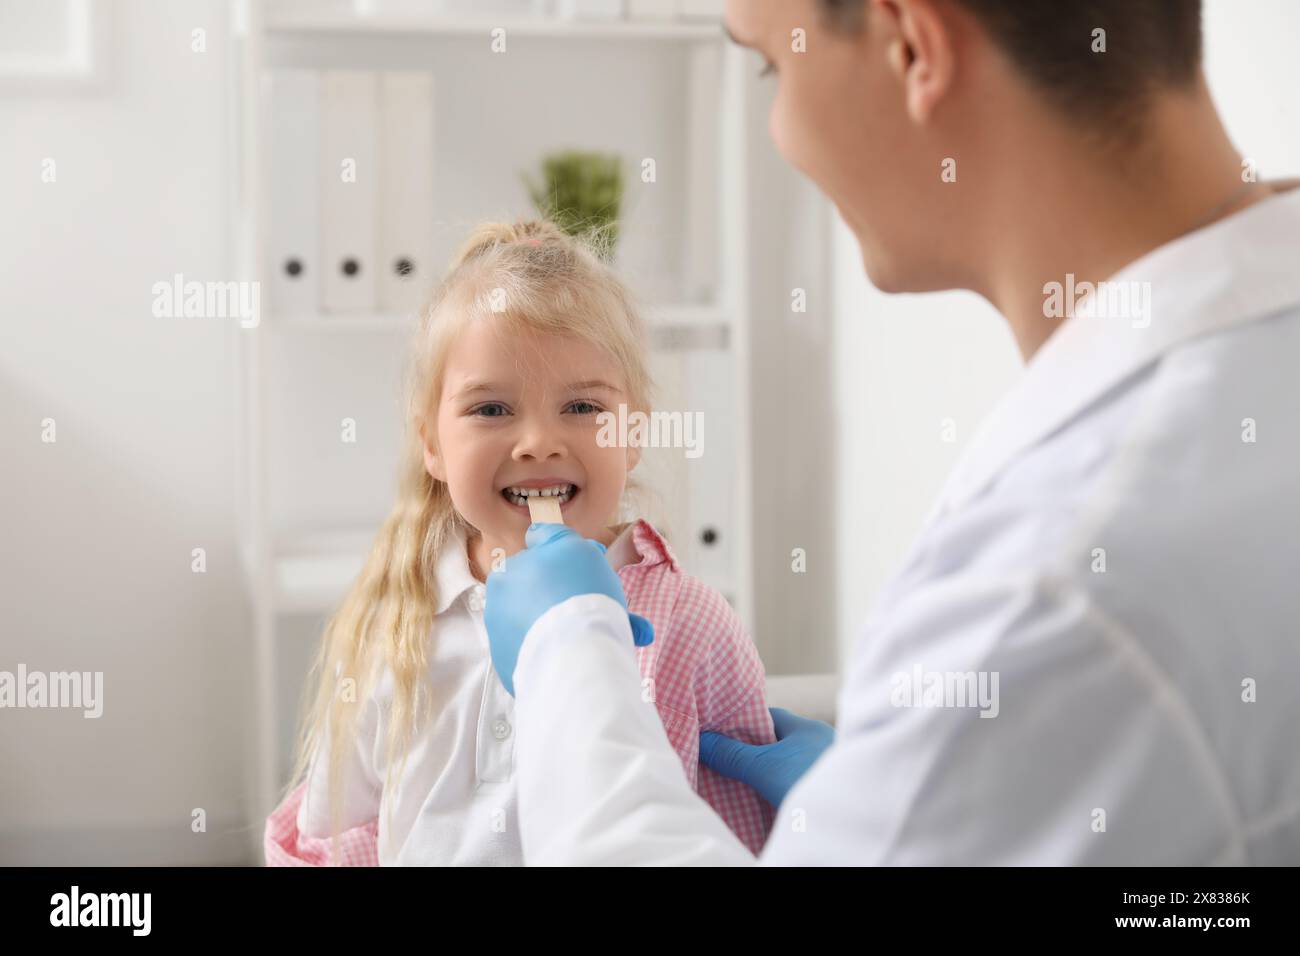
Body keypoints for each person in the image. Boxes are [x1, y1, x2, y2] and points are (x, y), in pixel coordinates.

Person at [483, 0, 1300, 864]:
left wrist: (568, 660)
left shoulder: (1055, 596)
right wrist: (874, 799)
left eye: (774, 67)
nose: (781, 131)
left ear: (914, 46)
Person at [264, 219, 776, 865]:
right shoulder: (393, 626)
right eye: (491, 409)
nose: (538, 441)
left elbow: (735, 835)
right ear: (431, 444)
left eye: (584, 407)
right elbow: (335, 840)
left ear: (635, 433)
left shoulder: (693, 625)